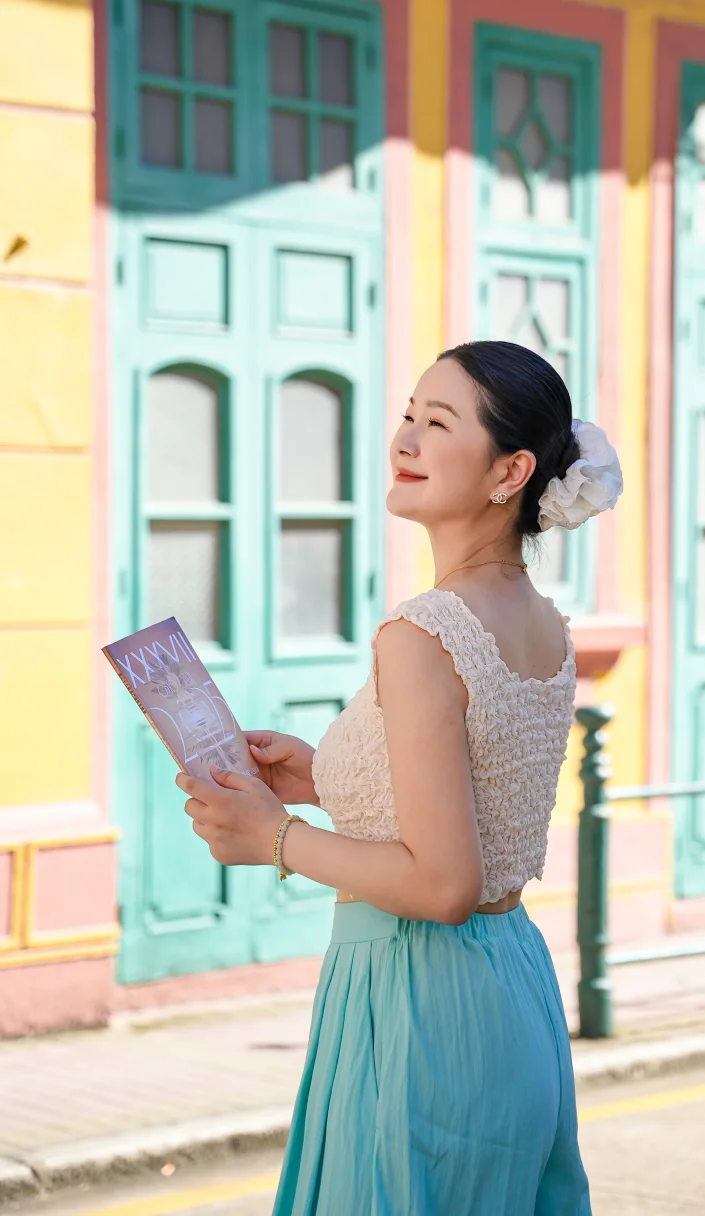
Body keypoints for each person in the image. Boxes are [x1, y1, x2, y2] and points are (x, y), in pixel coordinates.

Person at [176, 340, 623, 1215]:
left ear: (512, 472)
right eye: (409, 415)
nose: (405, 439)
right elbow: (475, 798)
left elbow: (444, 881)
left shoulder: (422, 634)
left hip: (415, 1003)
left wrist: (273, 838)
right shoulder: (542, 623)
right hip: (511, 988)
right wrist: (322, 775)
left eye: (438, 422)